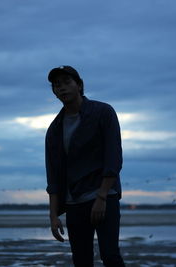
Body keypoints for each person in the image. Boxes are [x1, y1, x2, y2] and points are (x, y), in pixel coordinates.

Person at [45, 65, 125, 266]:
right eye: (57, 85)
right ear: (54, 93)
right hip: (74, 203)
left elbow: (113, 158)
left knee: (110, 255)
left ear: (79, 85)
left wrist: (102, 196)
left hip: (104, 196)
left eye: (67, 82)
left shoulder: (102, 112)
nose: (62, 88)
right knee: (81, 260)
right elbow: (53, 174)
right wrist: (53, 216)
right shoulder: (54, 129)